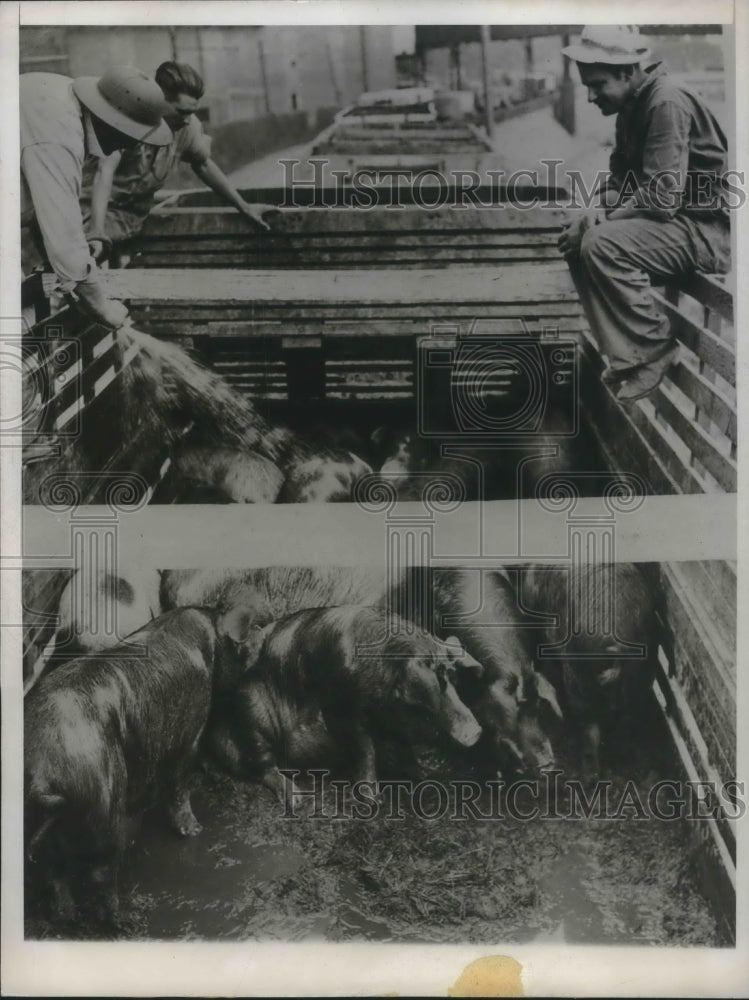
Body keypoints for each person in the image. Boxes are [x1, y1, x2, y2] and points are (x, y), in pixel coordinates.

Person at [557, 26, 730, 402]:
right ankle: (627, 356)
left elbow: (662, 197)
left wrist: (601, 220)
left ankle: (653, 351)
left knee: (601, 242)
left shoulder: (665, 101)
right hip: (672, 226)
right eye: (586, 85)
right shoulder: (631, 107)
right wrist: (591, 212)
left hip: (704, 230)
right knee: (576, 238)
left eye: (597, 84)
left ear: (626, 72)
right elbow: (620, 182)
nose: (590, 96)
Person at [20, 66, 172, 329]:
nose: (126, 146)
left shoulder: (63, 98)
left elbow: (43, 209)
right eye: (128, 135)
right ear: (111, 120)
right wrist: (102, 307)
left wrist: (78, 273)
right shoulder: (59, 134)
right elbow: (64, 238)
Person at [82, 61, 273, 263]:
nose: (188, 120)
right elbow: (104, 171)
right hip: (90, 216)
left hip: (130, 221)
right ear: (159, 100)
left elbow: (203, 164)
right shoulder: (132, 117)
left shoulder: (185, 126)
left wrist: (245, 207)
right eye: (182, 112)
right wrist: (97, 231)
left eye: (192, 112)